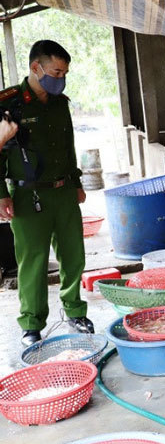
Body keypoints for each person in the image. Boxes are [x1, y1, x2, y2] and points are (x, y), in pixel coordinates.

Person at [0, 40, 94, 346]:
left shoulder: (59, 103)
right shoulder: (9, 104)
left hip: (64, 192)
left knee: (73, 256)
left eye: (65, 72)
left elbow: (68, 146)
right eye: (56, 71)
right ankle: (32, 324)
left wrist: (77, 182)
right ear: (36, 67)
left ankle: (75, 311)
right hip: (28, 197)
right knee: (33, 262)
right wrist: (2, 194)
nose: (61, 77)